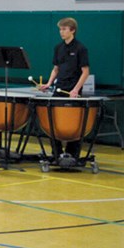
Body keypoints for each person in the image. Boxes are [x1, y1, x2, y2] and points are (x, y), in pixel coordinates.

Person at [38, 17, 90, 162]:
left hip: (72, 91)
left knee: (74, 125)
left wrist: (75, 90)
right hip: (59, 89)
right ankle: (56, 154)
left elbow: (85, 72)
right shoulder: (58, 48)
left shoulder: (81, 48)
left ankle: (72, 156)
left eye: (64, 29)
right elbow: (56, 69)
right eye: (60, 29)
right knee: (53, 123)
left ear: (72, 30)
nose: (61, 32)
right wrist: (49, 83)